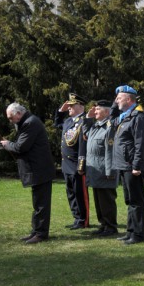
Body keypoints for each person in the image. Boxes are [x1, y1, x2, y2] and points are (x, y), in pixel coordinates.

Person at [0, 102, 56, 244]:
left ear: (19, 114)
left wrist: (7, 145)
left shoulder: (30, 123)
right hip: (37, 170)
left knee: (41, 204)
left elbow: (21, 147)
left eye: (11, 117)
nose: (10, 121)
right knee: (37, 203)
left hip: (40, 170)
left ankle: (41, 234)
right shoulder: (27, 122)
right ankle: (36, 231)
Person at [111, 85, 144, 245]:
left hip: (131, 165)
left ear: (128, 99)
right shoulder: (124, 116)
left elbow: (141, 143)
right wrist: (115, 104)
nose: (116, 100)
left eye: (119, 98)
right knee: (129, 200)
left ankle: (138, 234)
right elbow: (111, 121)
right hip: (123, 164)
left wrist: (137, 165)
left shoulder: (138, 117)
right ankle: (130, 231)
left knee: (136, 201)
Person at [82, 100, 120, 237]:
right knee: (99, 202)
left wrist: (110, 171)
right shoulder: (95, 126)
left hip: (105, 171)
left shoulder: (109, 127)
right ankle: (103, 225)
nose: (95, 111)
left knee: (106, 202)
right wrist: (88, 117)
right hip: (95, 171)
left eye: (98, 109)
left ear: (107, 112)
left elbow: (110, 151)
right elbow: (85, 133)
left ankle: (111, 227)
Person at [54, 94, 89, 229]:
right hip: (66, 164)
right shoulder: (69, 121)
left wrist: (81, 165)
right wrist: (60, 111)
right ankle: (76, 217)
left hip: (76, 164)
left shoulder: (84, 121)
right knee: (71, 192)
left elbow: (83, 146)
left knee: (80, 193)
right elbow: (57, 123)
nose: (68, 108)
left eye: (71, 105)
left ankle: (83, 220)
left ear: (80, 106)